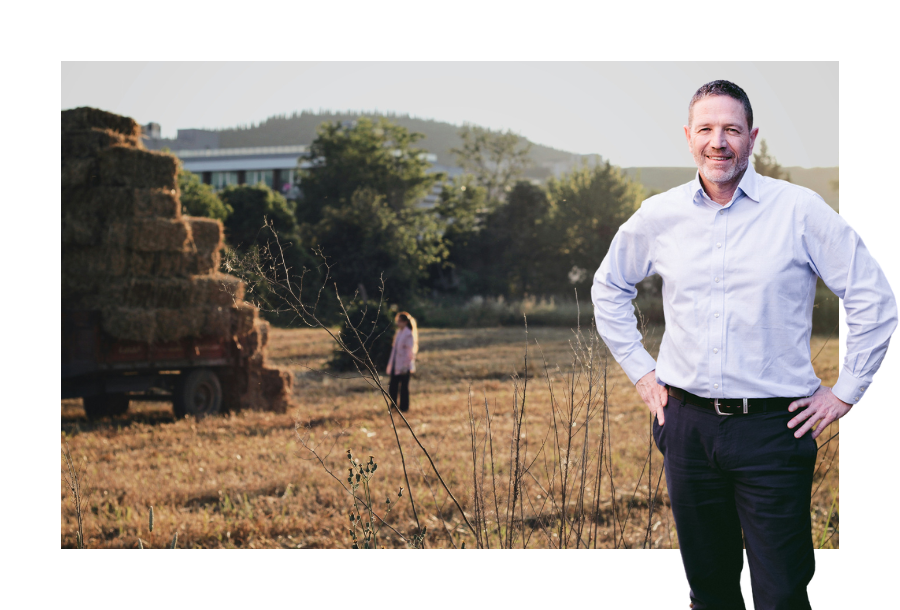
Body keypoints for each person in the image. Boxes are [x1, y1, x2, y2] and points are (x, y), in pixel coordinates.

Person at [591, 80, 896, 610]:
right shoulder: (660, 215)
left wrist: (846, 392)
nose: (718, 142)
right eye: (706, 129)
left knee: (780, 593)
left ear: (751, 137)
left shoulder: (799, 210)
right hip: (685, 427)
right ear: (689, 137)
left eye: (731, 129)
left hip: (773, 432)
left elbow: (873, 298)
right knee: (709, 592)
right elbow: (608, 286)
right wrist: (642, 372)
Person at [386, 311, 418, 413]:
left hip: (404, 366)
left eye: (399, 321)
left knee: (404, 388)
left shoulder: (408, 334)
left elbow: (410, 352)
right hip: (396, 364)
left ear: (405, 322)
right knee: (392, 387)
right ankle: (394, 405)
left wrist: (406, 366)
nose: (397, 323)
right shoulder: (399, 333)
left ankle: (404, 408)